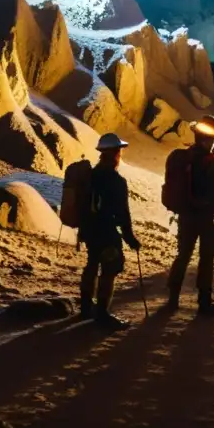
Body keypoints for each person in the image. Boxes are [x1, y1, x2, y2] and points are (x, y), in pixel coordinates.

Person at [165, 115, 214, 315]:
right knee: (206, 259)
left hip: (185, 217)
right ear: (212, 139)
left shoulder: (179, 158)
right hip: (206, 219)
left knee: (183, 256)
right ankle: (204, 302)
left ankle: (173, 298)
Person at [79, 132, 141, 329]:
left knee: (91, 264)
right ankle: (103, 315)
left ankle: (86, 306)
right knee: (109, 269)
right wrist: (130, 238)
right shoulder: (116, 181)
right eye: (119, 151)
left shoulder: (91, 175)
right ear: (115, 153)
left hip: (89, 229)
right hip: (106, 232)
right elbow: (123, 213)